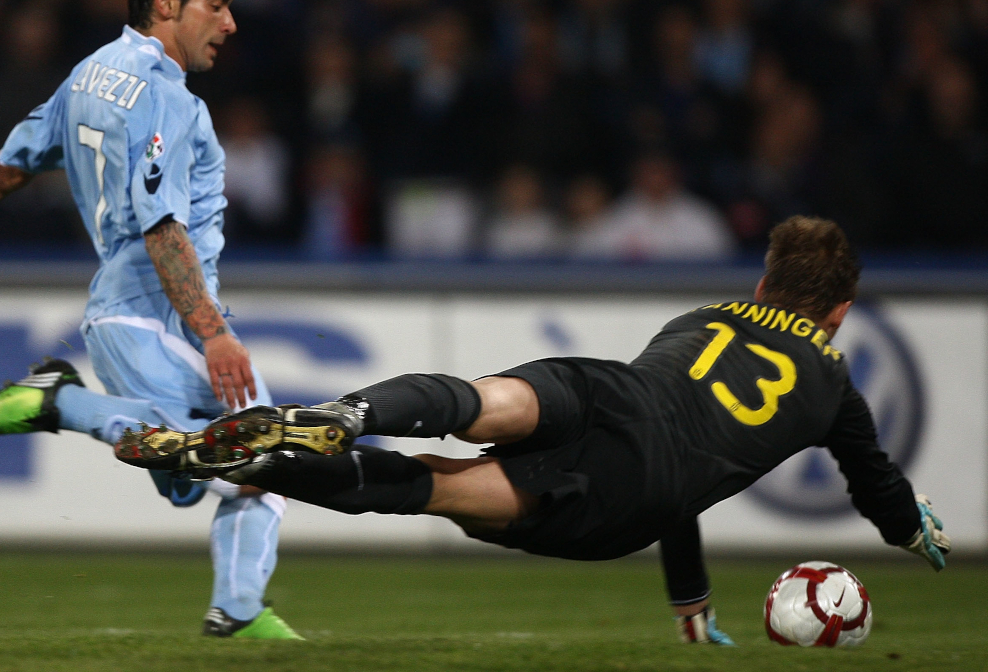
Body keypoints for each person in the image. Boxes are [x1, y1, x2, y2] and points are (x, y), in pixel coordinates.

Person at [116, 216, 951, 644]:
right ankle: (250, 465)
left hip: (608, 389)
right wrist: (910, 530)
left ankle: (345, 412)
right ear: (838, 313)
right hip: (632, 492)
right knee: (431, 487)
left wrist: (691, 595)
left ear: (763, 279)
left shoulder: (705, 316)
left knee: (484, 400)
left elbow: (667, 417)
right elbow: (872, 487)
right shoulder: (833, 384)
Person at [0, 0, 301, 640]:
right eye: (216, 5)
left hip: (120, 315)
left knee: (189, 479)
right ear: (167, 3)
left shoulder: (92, 72)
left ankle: (60, 406)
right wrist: (214, 333)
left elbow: (12, 163)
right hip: (158, 314)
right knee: (271, 459)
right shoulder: (165, 95)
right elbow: (162, 226)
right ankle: (238, 612)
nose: (230, 23)